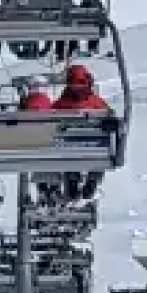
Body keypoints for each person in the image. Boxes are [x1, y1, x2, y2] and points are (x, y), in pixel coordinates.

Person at [52, 64, 111, 200]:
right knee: (100, 152)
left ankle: (72, 178)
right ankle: (93, 179)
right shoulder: (95, 101)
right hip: (94, 146)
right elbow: (109, 115)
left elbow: (49, 115)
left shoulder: (62, 102)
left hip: (68, 146)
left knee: (69, 151)